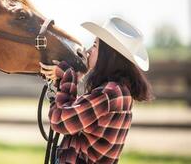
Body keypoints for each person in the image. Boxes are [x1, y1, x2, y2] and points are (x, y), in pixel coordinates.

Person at [39, 17, 153, 164]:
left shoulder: (109, 93)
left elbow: (60, 121)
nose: (88, 51)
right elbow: (73, 115)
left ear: (108, 55)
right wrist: (72, 78)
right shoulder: (119, 91)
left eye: (94, 45)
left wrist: (68, 77)